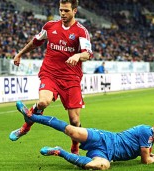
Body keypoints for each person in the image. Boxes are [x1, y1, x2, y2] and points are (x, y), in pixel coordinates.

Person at [10, 0, 93, 155]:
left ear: (75, 11)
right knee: (43, 101)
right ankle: (25, 127)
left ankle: (75, 147)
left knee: (74, 121)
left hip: (71, 78)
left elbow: (88, 54)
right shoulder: (50, 27)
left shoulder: (81, 31)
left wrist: (77, 55)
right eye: (61, 10)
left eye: (66, 11)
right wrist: (20, 54)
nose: (62, 13)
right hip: (50, 73)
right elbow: (35, 42)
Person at [15, 100, 154, 170]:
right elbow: (146, 160)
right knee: (71, 130)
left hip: (106, 154)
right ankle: (31, 116)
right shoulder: (146, 131)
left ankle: (59, 151)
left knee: (101, 166)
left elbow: (145, 153)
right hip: (104, 138)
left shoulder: (149, 142)